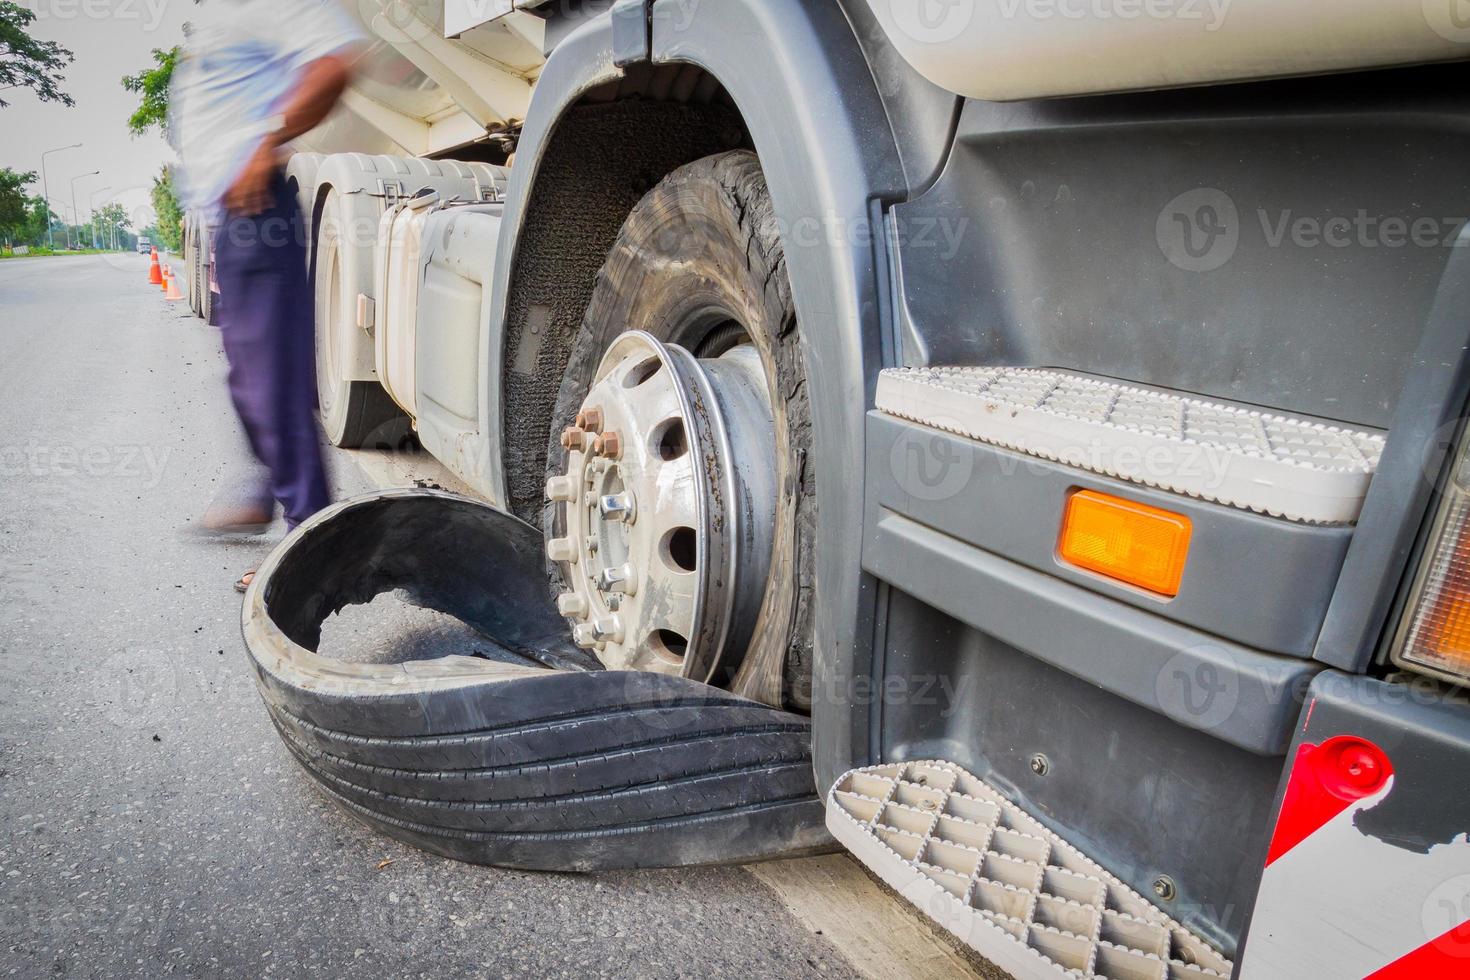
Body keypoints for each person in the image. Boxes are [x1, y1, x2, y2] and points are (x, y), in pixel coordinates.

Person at [170, 1, 364, 591]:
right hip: (229, 219)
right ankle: (265, 487)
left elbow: (335, 64)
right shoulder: (215, 18)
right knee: (249, 378)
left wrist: (266, 139)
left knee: (272, 385)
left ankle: (311, 550)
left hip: (257, 209)